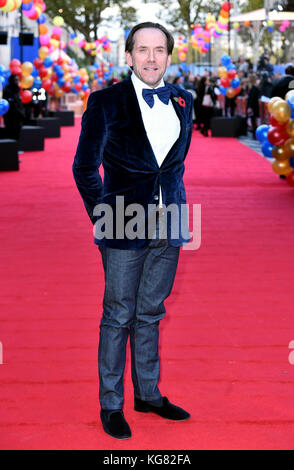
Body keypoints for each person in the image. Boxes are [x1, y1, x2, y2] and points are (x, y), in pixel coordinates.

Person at [72, 22, 193, 440]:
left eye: (160, 50)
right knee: (118, 314)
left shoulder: (183, 100)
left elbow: (174, 166)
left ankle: (148, 394)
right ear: (128, 56)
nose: (151, 58)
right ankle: (111, 403)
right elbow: (84, 168)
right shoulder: (105, 102)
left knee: (151, 312)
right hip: (122, 222)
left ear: (169, 56)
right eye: (143, 49)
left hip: (170, 220)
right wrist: (103, 215)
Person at [2, 74, 25, 141]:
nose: (17, 81)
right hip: (10, 117)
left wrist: (22, 113)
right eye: (15, 80)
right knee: (10, 134)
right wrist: (20, 113)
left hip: (18, 117)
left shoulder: (18, 90)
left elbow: (19, 103)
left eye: (18, 80)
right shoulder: (7, 90)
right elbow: (12, 105)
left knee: (17, 133)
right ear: (11, 81)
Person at [247, 74, 260, 139]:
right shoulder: (253, 88)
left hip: (253, 107)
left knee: (254, 120)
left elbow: (252, 99)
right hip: (254, 106)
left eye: (249, 78)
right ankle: (254, 134)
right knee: (253, 120)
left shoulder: (253, 88)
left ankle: (255, 135)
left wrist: (249, 107)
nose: (247, 79)